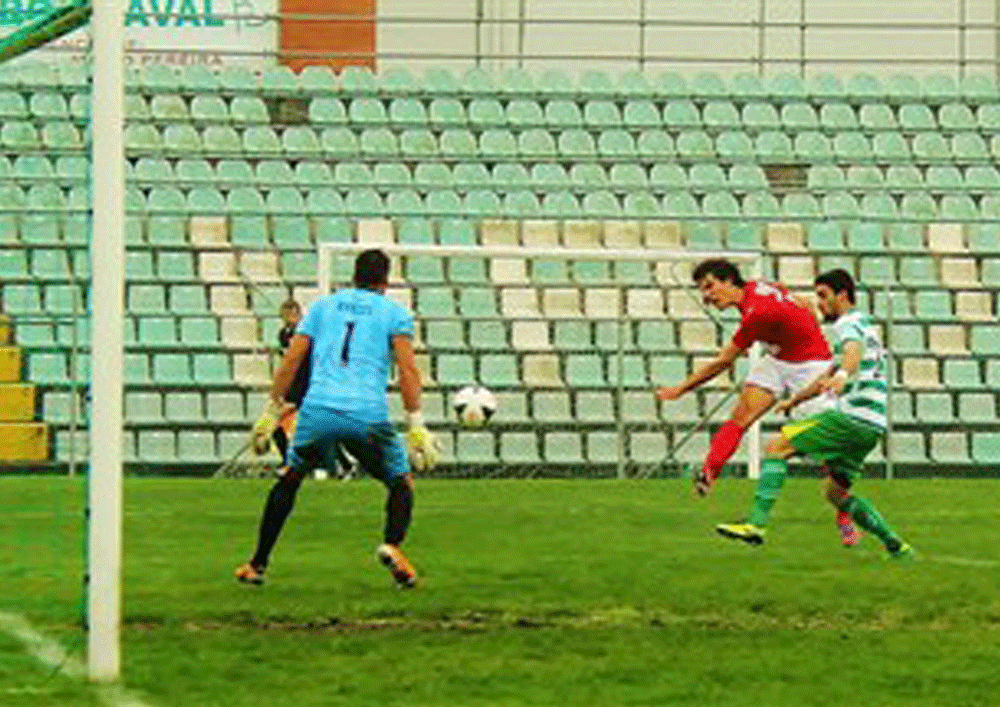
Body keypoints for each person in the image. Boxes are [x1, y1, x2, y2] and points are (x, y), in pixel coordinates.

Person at [235, 249, 439, 588]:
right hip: (366, 414)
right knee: (400, 480)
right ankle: (392, 546)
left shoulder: (322, 307)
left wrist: (271, 411)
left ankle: (257, 564)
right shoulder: (395, 314)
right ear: (386, 281)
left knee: (290, 477)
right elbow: (407, 370)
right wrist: (415, 424)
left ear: (354, 276)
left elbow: (292, 360)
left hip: (318, 410)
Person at [655, 258, 860, 546]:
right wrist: (804, 315)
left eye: (710, 287)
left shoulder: (757, 312)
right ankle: (710, 471)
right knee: (741, 415)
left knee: (829, 452)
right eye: (703, 290)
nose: (707, 296)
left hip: (811, 366)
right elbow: (793, 297)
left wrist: (680, 389)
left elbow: (723, 362)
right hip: (778, 358)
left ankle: (844, 517)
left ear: (729, 281)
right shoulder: (757, 288)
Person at [715, 269, 913, 559]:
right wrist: (795, 401)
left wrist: (843, 375)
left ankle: (755, 525)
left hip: (851, 419)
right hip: (872, 427)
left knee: (777, 447)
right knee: (835, 495)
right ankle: (896, 545)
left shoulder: (847, 324)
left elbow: (852, 354)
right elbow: (828, 374)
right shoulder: (865, 325)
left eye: (823, 295)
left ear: (842, 295)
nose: (819, 303)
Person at [268, 298, 355, 480]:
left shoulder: (308, 334)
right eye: (287, 314)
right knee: (277, 426)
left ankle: (336, 465)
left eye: (293, 314)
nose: (290, 318)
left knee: (318, 428)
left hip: (309, 387)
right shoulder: (284, 334)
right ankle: (293, 463)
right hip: (294, 387)